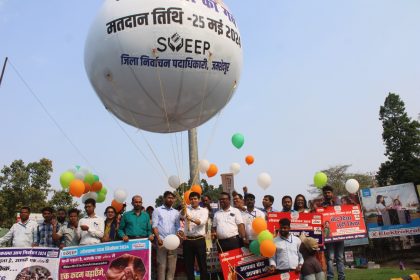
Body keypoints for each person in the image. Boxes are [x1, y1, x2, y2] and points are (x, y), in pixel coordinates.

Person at [152, 191, 182, 280]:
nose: (170, 199)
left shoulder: (176, 212)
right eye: (168, 197)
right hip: (162, 241)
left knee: (172, 267)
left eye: (172, 198)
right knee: (161, 266)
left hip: (173, 242)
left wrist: (179, 233)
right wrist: (158, 238)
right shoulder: (157, 210)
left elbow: (178, 226)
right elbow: (154, 226)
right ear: (164, 198)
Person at [181, 191, 209, 280]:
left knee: (202, 265)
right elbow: (181, 215)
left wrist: (191, 219)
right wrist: (183, 208)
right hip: (188, 241)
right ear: (189, 200)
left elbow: (201, 222)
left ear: (199, 200)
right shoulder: (187, 209)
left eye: (195, 199)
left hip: (199, 240)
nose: (193, 200)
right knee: (188, 266)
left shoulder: (204, 210)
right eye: (191, 199)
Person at [321, 185, 345, 280]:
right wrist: (324, 208)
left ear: (332, 193)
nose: (327, 194)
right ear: (323, 194)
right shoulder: (322, 206)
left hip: (339, 235)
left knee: (340, 257)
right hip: (329, 236)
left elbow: (344, 214)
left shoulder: (338, 203)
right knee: (330, 258)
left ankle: (341, 277)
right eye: (325, 193)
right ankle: (330, 277)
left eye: (329, 192)